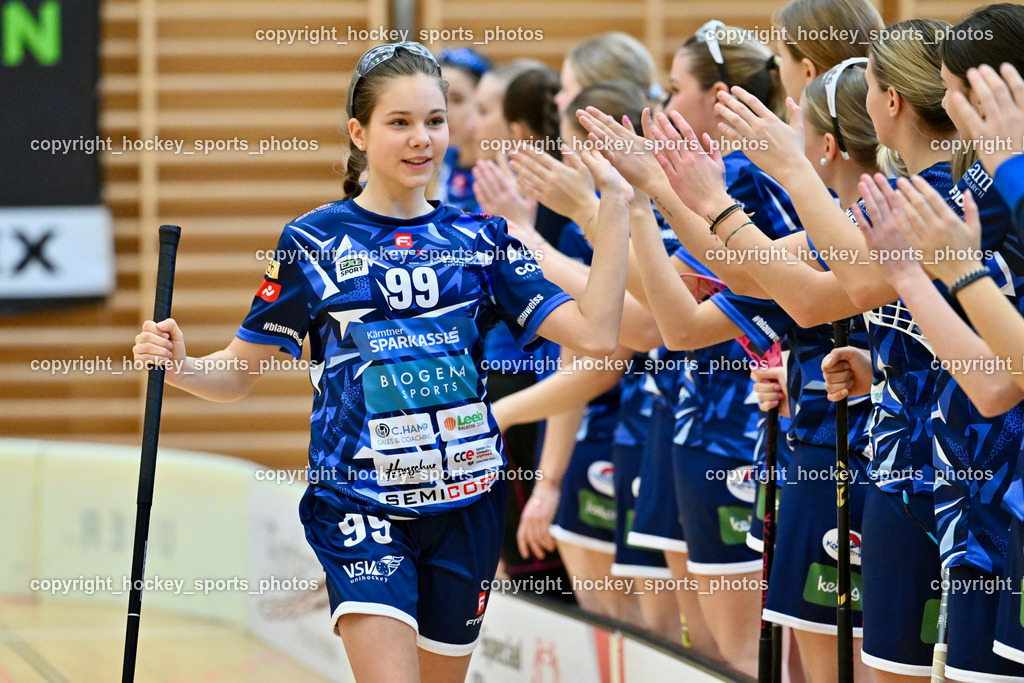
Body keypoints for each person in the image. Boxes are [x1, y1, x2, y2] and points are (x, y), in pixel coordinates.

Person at [131, 42, 635, 683]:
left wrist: (617, 204)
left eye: (434, 120)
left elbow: (596, 333)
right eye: (399, 122)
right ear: (358, 132)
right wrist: (181, 366)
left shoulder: (480, 241)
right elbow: (238, 372)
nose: (422, 139)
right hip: (357, 507)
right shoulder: (314, 240)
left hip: (467, 505)